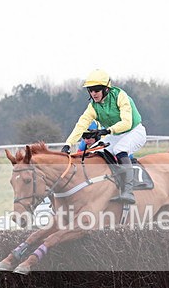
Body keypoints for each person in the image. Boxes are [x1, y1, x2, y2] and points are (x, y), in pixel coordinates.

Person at [61, 69, 147, 204]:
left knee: (120, 149)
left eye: (96, 89)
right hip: (115, 134)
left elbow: (127, 123)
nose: (93, 93)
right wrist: (68, 144)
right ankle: (105, 185)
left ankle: (128, 191)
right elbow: (81, 124)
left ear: (106, 89)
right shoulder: (93, 106)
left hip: (134, 131)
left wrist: (107, 131)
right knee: (95, 150)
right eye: (90, 90)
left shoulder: (120, 96)